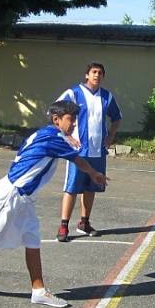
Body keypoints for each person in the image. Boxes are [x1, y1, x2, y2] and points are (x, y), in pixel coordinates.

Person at [0, 100, 107, 308]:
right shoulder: (54, 139)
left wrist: (69, 138)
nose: (74, 124)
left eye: (75, 120)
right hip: (11, 195)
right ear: (56, 119)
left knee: (32, 240)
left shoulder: (49, 134)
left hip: (24, 198)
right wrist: (94, 173)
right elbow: (78, 160)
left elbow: (68, 148)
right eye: (70, 119)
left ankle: (39, 291)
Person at [55, 62, 122, 242]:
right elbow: (54, 111)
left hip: (98, 152)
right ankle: (63, 225)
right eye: (94, 72)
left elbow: (117, 118)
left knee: (92, 186)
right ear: (87, 75)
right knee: (72, 189)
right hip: (78, 151)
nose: (97, 75)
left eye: (100, 73)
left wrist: (110, 137)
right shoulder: (74, 93)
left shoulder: (107, 96)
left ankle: (84, 223)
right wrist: (66, 136)